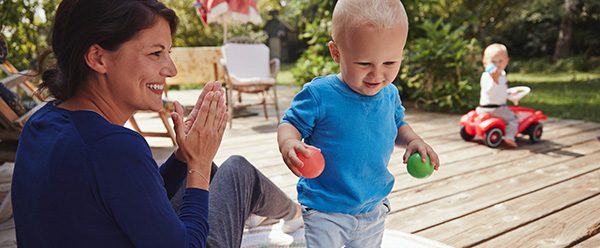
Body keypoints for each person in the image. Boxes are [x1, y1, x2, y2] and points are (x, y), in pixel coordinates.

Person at [11, 0, 301, 247]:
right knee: (236, 172)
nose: (170, 69)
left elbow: (130, 196)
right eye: (155, 53)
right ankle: (295, 215)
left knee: (207, 171)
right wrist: (198, 163)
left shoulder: (41, 122)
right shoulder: (114, 147)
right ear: (98, 58)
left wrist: (184, 157)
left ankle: (280, 213)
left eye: (168, 53)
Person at [276, 0, 440, 247]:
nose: (377, 74)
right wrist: (288, 142)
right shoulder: (320, 94)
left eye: (389, 63)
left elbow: (397, 123)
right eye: (364, 64)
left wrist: (414, 140)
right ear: (336, 53)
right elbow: (290, 123)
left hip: (372, 205)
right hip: (325, 208)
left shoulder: (390, 94)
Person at [477, 43, 519, 147]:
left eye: (500, 61)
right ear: (485, 63)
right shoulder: (487, 76)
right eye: (493, 61)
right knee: (513, 119)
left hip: (487, 108)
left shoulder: (502, 74)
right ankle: (509, 136)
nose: (497, 64)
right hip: (495, 109)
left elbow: (499, 91)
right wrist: (494, 79)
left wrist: (508, 92)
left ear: (507, 61)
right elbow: (490, 91)